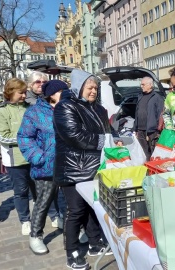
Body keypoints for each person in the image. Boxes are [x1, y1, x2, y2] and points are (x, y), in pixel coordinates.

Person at [53, 69, 115, 270]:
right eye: (90, 87)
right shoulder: (65, 107)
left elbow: (108, 131)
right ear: (79, 87)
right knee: (76, 210)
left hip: (95, 166)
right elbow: (75, 136)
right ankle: (72, 252)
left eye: (96, 88)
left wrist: (118, 136)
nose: (94, 91)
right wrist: (105, 141)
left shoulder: (98, 108)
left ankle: (95, 243)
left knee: (93, 206)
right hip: (73, 169)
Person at [18, 80, 68, 255]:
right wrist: (39, 157)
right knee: (43, 201)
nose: (66, 94)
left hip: (70, 165)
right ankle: (35, 235)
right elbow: (24, 137)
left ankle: (73, 231)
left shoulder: (69, 108)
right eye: (63, 91)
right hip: (46, 166)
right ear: (51, 94)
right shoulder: (34, 112)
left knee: (72, 202)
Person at [0, 78, 35, 235]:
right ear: (10, 92)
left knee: (40, 190)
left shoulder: (30, 108)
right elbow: (2, 137)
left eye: (25, 92)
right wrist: (26, 138)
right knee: (21, 192)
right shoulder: (1, 111)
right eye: (21, 93)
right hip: (15, 160)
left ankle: (46, 215)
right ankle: (25, 220)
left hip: (34, 157)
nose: (24, 96)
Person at [134, 76, 164, 160]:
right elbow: (137, 113)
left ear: (150, 85)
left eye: (143, 84)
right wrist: (135, 128)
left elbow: (161, 115)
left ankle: (153, 171)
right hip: (140, 131)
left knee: (154, 153)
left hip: (152, 131)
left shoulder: (157, 97)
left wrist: (158, 130)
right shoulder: (140, 96)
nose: (141, 86)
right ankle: (146, 170)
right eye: (141, 84)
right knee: (144, 153)